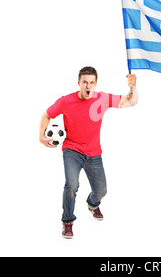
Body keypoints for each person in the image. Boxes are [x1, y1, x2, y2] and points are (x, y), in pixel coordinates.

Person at [39, 66, 138, 238]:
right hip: (72, 150)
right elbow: (46, 115)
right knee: (72, 184)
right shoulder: (66, 101)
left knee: (102, 191)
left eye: (92, 82)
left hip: (94, 153)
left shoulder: (102, 99)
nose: (88, 86)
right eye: (85, 82)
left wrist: (133, 86)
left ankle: (92, 204)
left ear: (95, 84)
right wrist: (41, 136)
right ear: (79, 83)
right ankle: (67, 221)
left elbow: (131, 101)